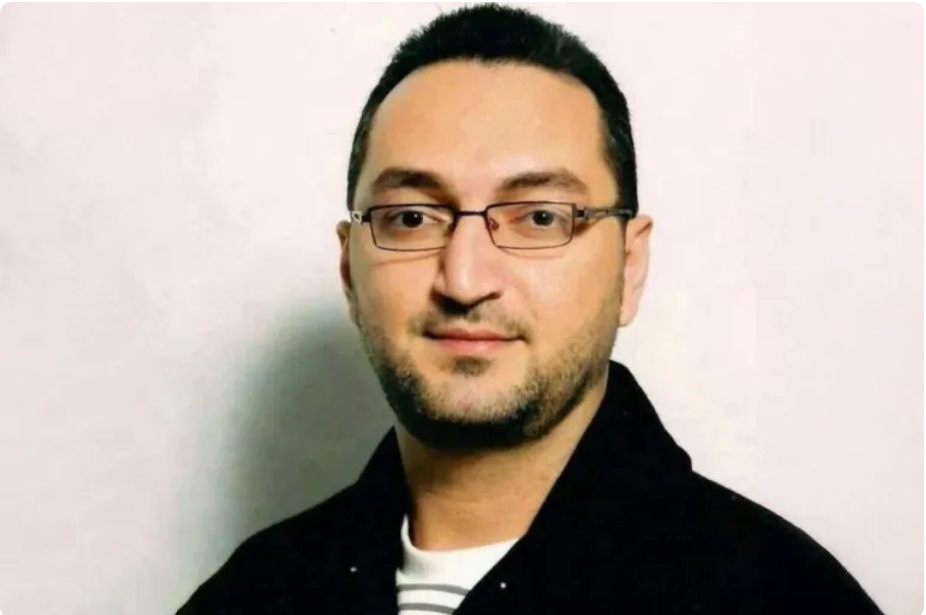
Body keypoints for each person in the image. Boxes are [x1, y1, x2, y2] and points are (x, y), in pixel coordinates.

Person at [177, 4, 883, 614]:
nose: (465, 279)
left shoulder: (782, 596)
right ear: (348, 270)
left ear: (630, 265)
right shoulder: (247, 595)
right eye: (412, 218)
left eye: (540, 217)